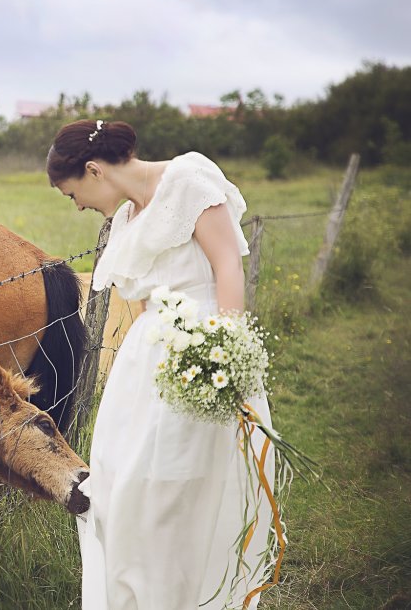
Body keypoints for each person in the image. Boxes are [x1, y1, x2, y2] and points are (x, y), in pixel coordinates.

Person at [47, 119, 275, 609]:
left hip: (203, 352)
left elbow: (227, 266)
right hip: (144, 365)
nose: (80, 204)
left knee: (182, 485)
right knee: (123, 488)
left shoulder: (187, 181)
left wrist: (223, 356)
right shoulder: (128, 219)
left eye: (74, 194)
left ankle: (192, 595)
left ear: (93, 169)